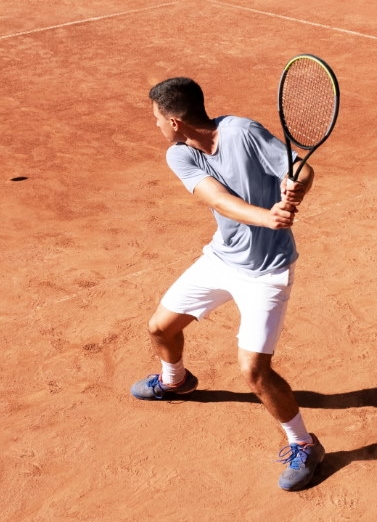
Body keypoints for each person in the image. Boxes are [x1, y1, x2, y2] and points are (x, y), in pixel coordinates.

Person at [131, 76, 322, 491]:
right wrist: (266, 215)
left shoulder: (243, 131)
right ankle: (175, 380)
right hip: (222, 259)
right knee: (160, 328)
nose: (157, 127)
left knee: (254, 371)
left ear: (176, 120)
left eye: (157, 119)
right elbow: (217, 199)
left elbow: (302, 169)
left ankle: (304, 444)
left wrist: (297, 188)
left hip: (268, 271)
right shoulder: (179, 155)